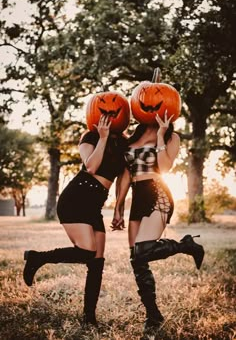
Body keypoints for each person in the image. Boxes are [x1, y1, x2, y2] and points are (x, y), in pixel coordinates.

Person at [23, 114, 128, 327]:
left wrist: (119, 209)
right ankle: (36, 258)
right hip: (76, 199)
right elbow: (91, 167)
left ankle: (89, 318)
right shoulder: (90, 137)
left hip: (95, 204)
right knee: (87, 252)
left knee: (97, 263)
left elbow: (125, 177)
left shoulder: (125, 144)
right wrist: (103, 138)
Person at [112, 110, 205, 331]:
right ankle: (153, 316)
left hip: (158, 193)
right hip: (138, 196)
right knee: (137, 259)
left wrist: (162, 134)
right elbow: (125, 175)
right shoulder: (133, 137)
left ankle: (185, 245)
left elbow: (164, 167)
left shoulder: (172, 136)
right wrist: (118, 208)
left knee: (143, 250)